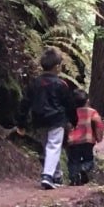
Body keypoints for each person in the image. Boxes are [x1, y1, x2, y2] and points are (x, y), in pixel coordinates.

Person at [24, 49, 76, 190]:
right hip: (56, 120)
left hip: (39, 120)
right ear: (57, 67)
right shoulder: (61, 84)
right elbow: (69, 105)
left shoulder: (35, 83)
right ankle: (47, 176)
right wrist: (73, 120)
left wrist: (21, 121)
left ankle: (57, 176)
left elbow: (26, 102)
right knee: (53, 146)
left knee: (50, 147)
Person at [66, 89, 104, 185]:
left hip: (72, 141)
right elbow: (99, 123)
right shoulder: (91, 112)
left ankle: (74, 179)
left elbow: (65, 125)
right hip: (87, 140)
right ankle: (83, 169)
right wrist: (99, 137)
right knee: (89, 160)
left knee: (73, 161)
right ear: (87, 101)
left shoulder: (70, 112)